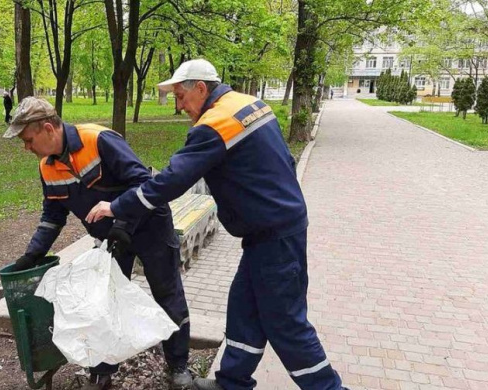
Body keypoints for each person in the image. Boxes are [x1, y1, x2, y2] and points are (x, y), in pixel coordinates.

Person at [86, 59, 346, 390]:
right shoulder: (249, 104)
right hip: (270, 230)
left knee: (286, 324)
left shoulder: (214, 124)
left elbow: (172, 180)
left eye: (181, 96)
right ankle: (232, 382)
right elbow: (284, 159)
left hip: (275, 237)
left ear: (201, 88)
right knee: (244, 311)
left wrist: (117, 206)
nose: (180, 106)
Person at [4, 97, 192, 390]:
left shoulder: (98, 140)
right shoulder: (47, 167)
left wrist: (121, 224)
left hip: (150, 225)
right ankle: (102, 372)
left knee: (167, 293)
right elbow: (53, 214)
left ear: (49, 128)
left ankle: (179, 365)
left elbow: (142, 183)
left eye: (28, 139)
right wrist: (32, 255)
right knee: (103, 300)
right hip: (112, 239)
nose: (26, 147)